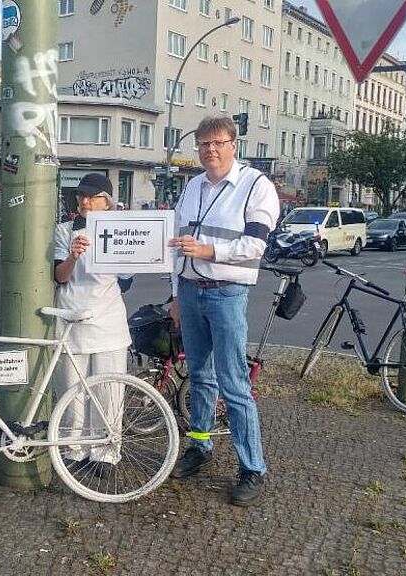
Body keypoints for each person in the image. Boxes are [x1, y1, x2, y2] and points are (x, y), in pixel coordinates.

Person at [167, 116, 279, 506]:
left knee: (234, 382)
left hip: (227, 292)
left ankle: (253, 468)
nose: (209, 150)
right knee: (199, 375)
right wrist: (176, 296)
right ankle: (200, 445)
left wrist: (210, 251)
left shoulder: (256, 186)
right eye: (202, 144)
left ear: (234, 144)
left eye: (217, 142)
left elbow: (256, 246)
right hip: (190, 290)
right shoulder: (192, 187)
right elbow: (176, 247)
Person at [53, 173, 132, 476]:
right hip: (71, 317)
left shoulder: (123, 230)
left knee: (108, 389)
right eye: (82, 196)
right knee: (71, 389)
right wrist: (72, 257)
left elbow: (126, 282)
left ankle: (106, 451)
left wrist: (125, 257)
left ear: (107, 202)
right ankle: (73, 448)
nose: (86, 201)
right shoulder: (63, 231)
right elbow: (59, 277)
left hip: (108, 319)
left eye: (93, 196)